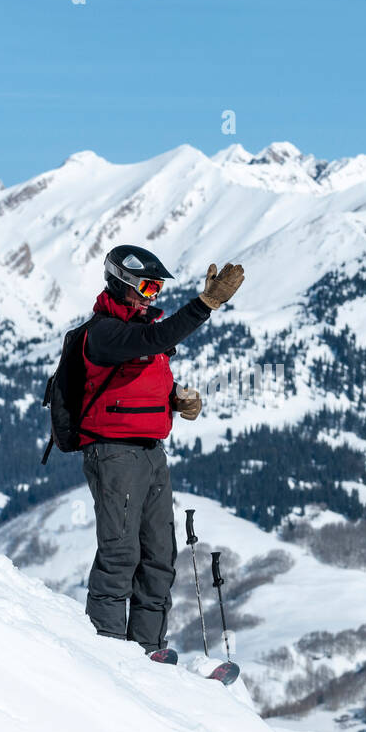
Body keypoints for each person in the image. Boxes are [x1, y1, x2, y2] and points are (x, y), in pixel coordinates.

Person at [80, 245, 244, 655]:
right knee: (120, 555)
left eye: (156, 289)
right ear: (122, 283)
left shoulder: (138, 329)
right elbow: (152, 339)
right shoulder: (104, 332)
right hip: (115, 454)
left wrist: (174, 399)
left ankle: (147, 651)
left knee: (158, 558)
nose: (152, 296)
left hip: (152, 453)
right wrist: (205, 305)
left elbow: (136, 377)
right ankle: (107, 652)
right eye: (147, 287)